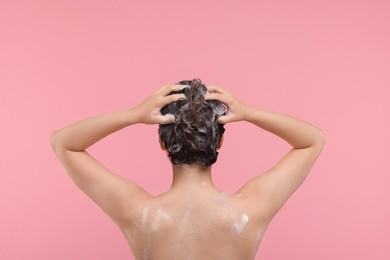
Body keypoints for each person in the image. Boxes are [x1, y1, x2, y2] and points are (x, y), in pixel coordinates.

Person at [51, 78, 325, 260]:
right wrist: (247, 111)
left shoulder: (137, 211)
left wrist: (133, 114)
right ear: (220, 141)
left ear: (162, 141)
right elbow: (312, 140)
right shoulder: (251, 209)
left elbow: (63, 142)